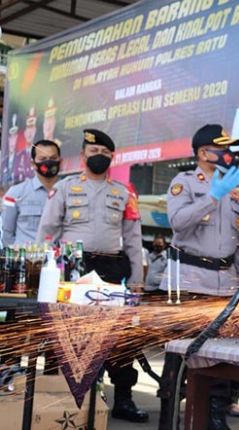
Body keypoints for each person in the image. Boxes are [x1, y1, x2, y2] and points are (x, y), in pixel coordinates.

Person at [36, 129, 148, 423]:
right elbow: (48, 232)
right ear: (83, 156)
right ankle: (76, 397)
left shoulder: (124, 193)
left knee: (121, 338)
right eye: (93, 151)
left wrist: (136, 282)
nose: (98, 156)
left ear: (113, 157)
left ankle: (123, 398)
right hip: (75, 270)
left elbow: (134, 241)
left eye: (104, 152)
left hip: (112, 272)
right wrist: (44, 273)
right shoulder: (64, 188)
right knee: (77, 337)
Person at [157, 124, 239, 430]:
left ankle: (214, 417)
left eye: (230, 149)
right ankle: (169, 415)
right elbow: (179, 223)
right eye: (222, 148)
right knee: (180, 357)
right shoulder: (184, 183)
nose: (228, 154)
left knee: (222, 358)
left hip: (225, 283)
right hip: (189, 282)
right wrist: (213, 196)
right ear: (202, 153)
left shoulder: (235, 189)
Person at [3, 139, 61, 247]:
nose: (48, 162)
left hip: (59, 261)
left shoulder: (67, 192)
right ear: (33, 164)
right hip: (26, 260)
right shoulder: (15, 193)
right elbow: (7, 233)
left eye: (53, 158)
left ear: (60, 161)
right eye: (43, 159)